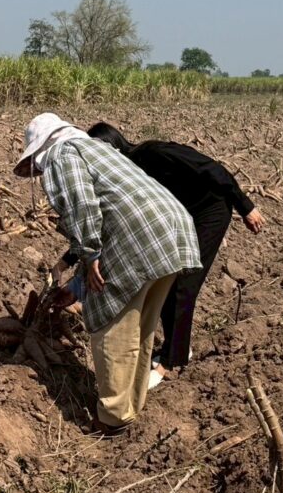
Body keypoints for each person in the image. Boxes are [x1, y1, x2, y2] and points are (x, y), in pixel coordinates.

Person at [14, 113, 201, 435]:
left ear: (41, 149)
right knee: (140, 327)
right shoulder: (98, 149)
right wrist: (76, 287)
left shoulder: (61, 155)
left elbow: (82, 206)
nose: (40, 173)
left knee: (112, 329)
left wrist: (90, 255)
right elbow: (110, 202)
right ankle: (131, 405)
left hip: (138, 238)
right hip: (172, 230)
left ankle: (112, 418)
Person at [59, 122, 264, 387]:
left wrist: (245, 206)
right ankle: (179, 348)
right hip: (180, 218)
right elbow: (103, 225)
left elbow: (212, 168)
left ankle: (170, 361)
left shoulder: (154, 153)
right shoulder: (124, 177)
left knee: (183, 282)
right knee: (165, 276)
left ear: (110, 147)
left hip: (209, 211)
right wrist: (68, 260)